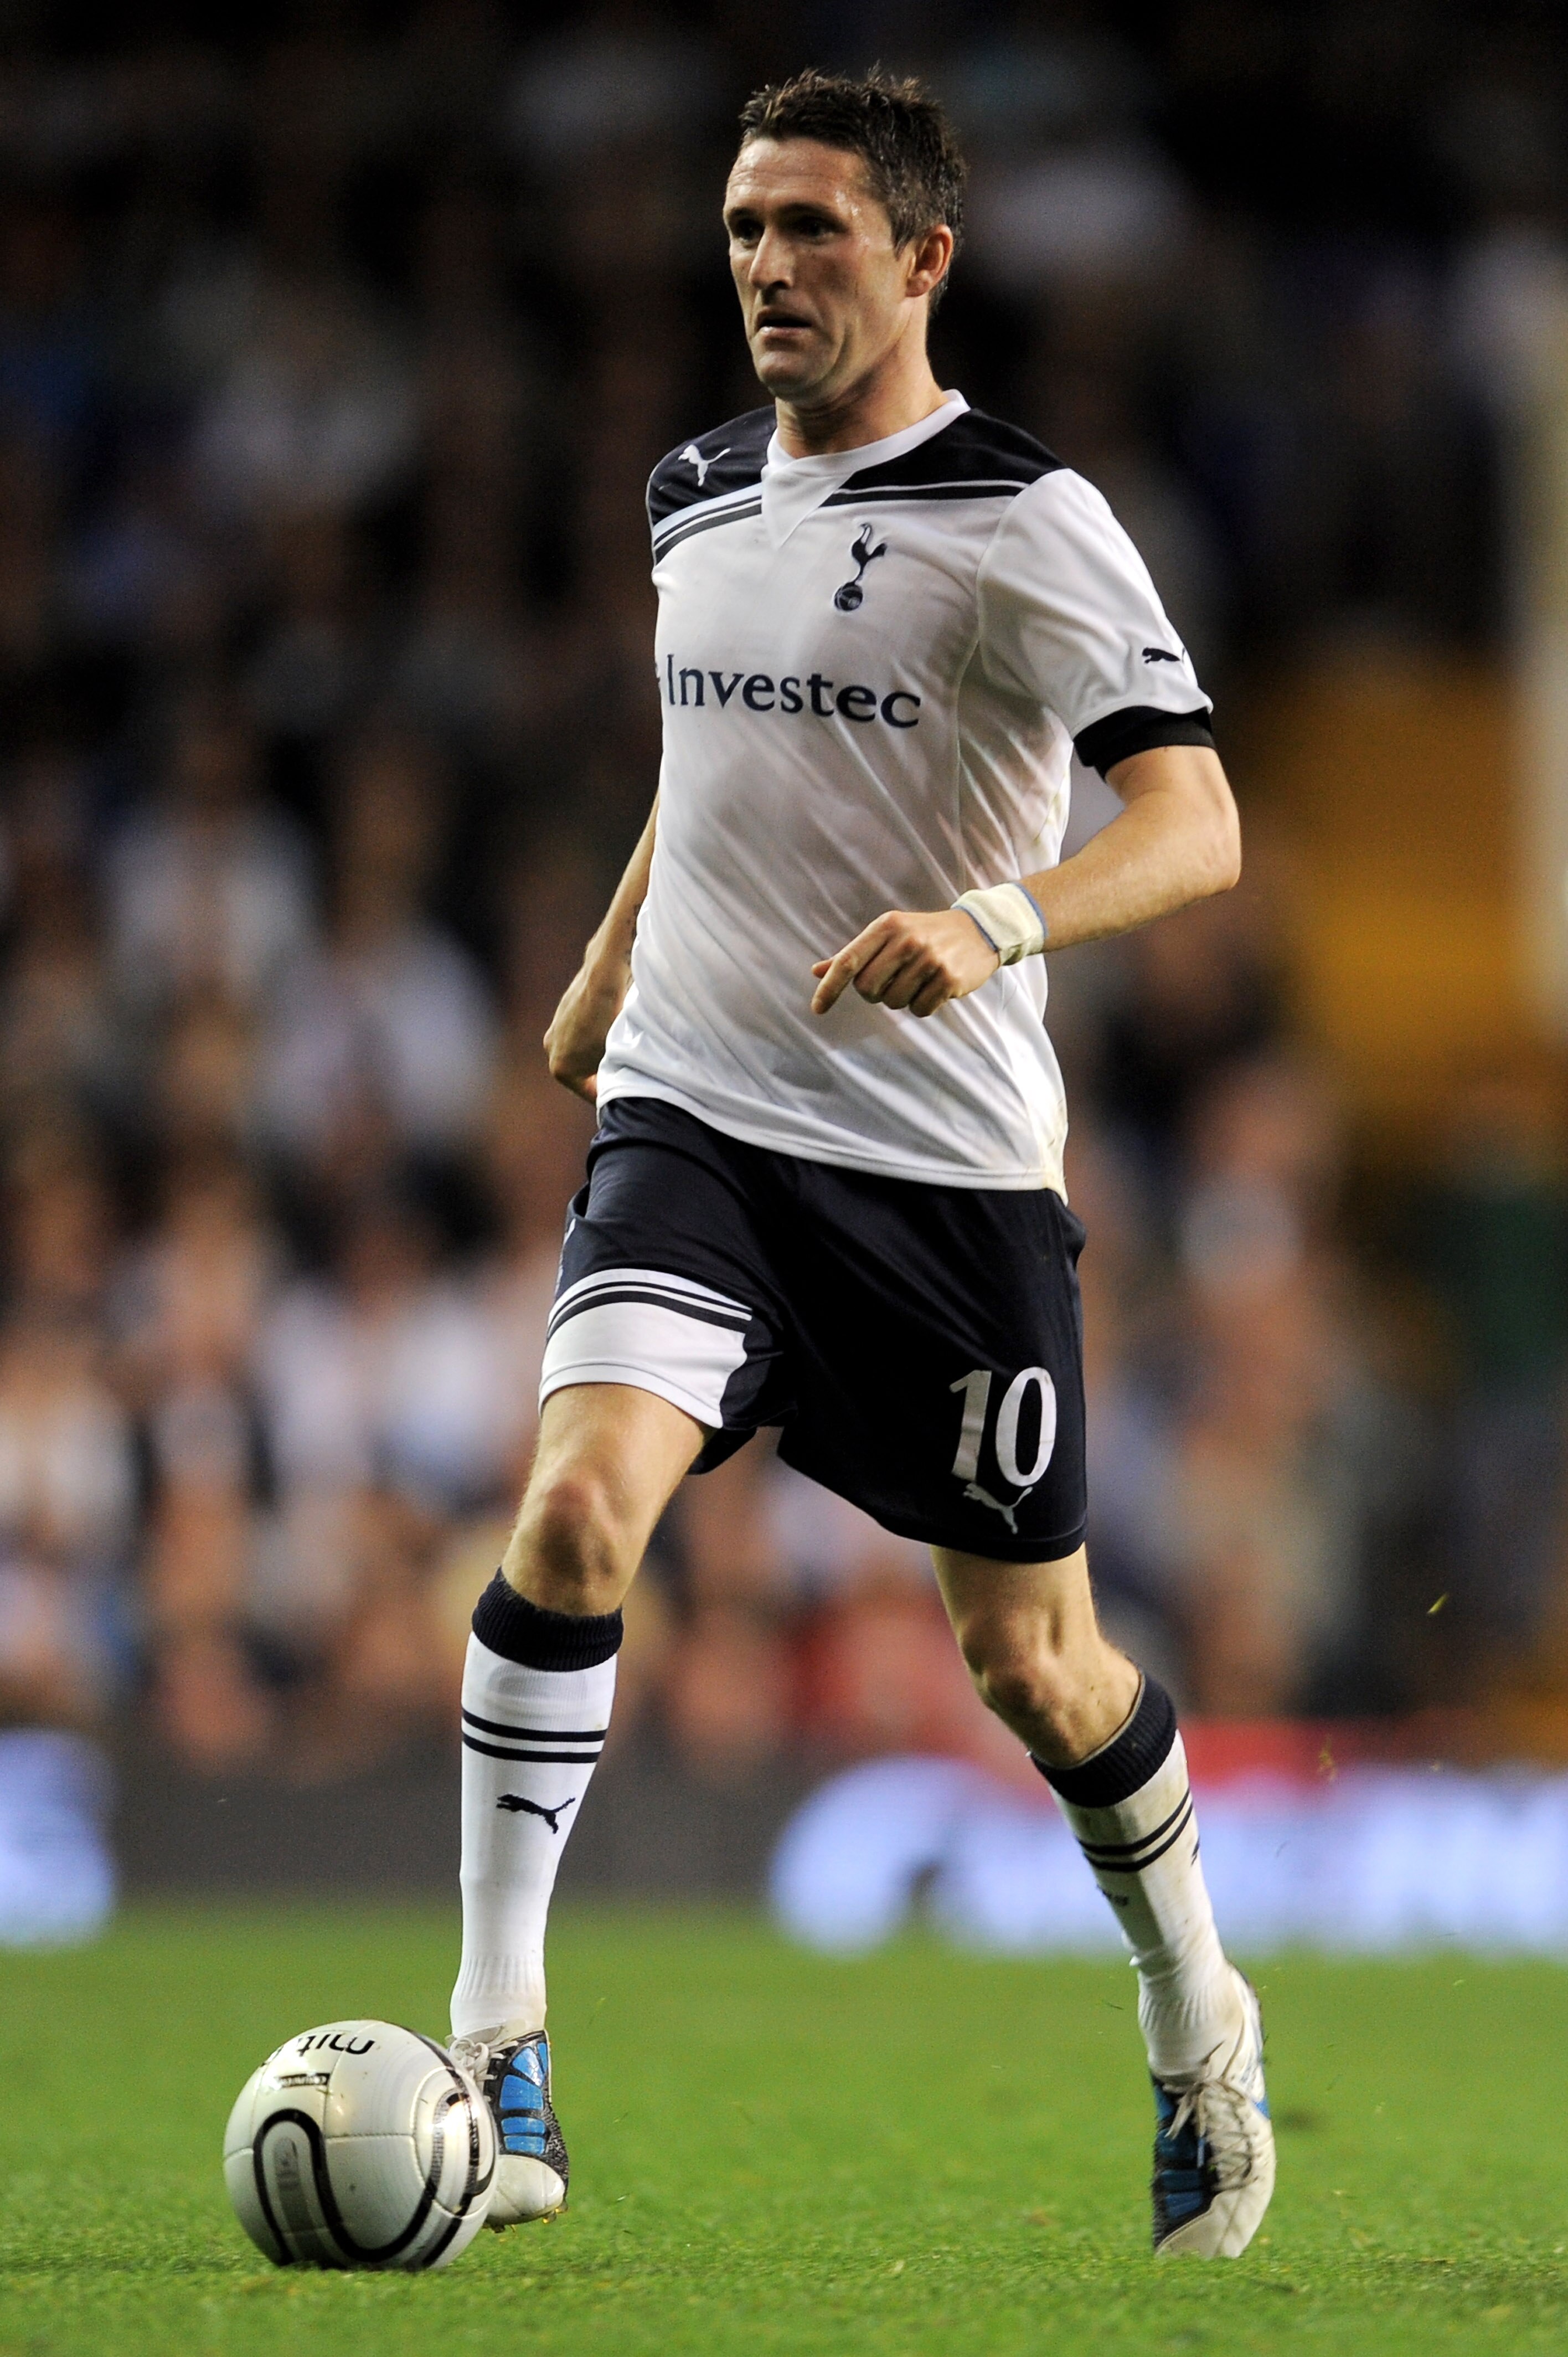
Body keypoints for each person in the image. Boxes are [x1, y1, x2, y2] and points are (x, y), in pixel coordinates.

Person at [447, 69, 1273, 2260]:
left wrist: (999, 918)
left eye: (814, 229)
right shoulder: (691, 491)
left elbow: (1200, 824)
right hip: (701, 1114)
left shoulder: (1031, 515)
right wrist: (611, 971)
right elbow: (697, 757)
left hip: (941, 1178)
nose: (767, 269)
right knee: (574, 1504)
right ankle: (497, 2040)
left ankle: (1198, 2000)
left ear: (923, 259)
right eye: (742, 228)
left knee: (1037, 1670)